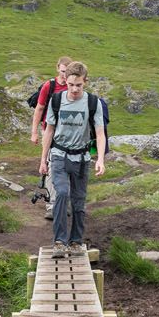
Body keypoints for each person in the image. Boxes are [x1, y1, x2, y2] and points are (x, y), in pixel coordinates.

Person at [39, 61, 106, 258]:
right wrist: (43, 159)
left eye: (79, 85)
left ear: (85, 82)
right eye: (70, 85)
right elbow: (49, 130)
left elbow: (100, 134)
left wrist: (100, 159)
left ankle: (76, 241)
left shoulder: (93, 103)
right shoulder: (57, 100)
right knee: (61, 193)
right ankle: (60, 241)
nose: (74, 89)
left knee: (78, 201)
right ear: (65, 81)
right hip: (59, 156)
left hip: (82, 158)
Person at [29, 56, 72, 220]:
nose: (64, 76)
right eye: (62, 72)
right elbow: (39, 109)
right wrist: (34, 132)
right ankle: (52, 206)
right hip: (50, 131)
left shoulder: (73, 87)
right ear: (57, 69)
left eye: (67, 72)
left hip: (69, 133)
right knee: (50, 165)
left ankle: (63, 202)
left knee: (68, 165)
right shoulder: (50, 86)